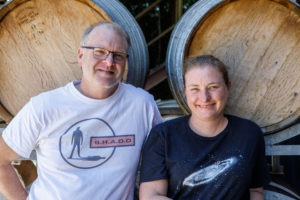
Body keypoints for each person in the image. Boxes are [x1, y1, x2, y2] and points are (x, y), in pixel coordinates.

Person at [0, 21, 162, 200]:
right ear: (80, 55)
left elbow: (161, 161)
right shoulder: (44, 107)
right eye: (99, 52)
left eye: (118, 55)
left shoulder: (141, 105)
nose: (109, 62)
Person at [139, 55, 270, 200]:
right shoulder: (163, 136)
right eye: (195, 89)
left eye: (213, 87)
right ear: (185, 91)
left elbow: (256, 192)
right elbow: (151, 196)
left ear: (228, 87)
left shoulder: (249, 133)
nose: (204, 97)